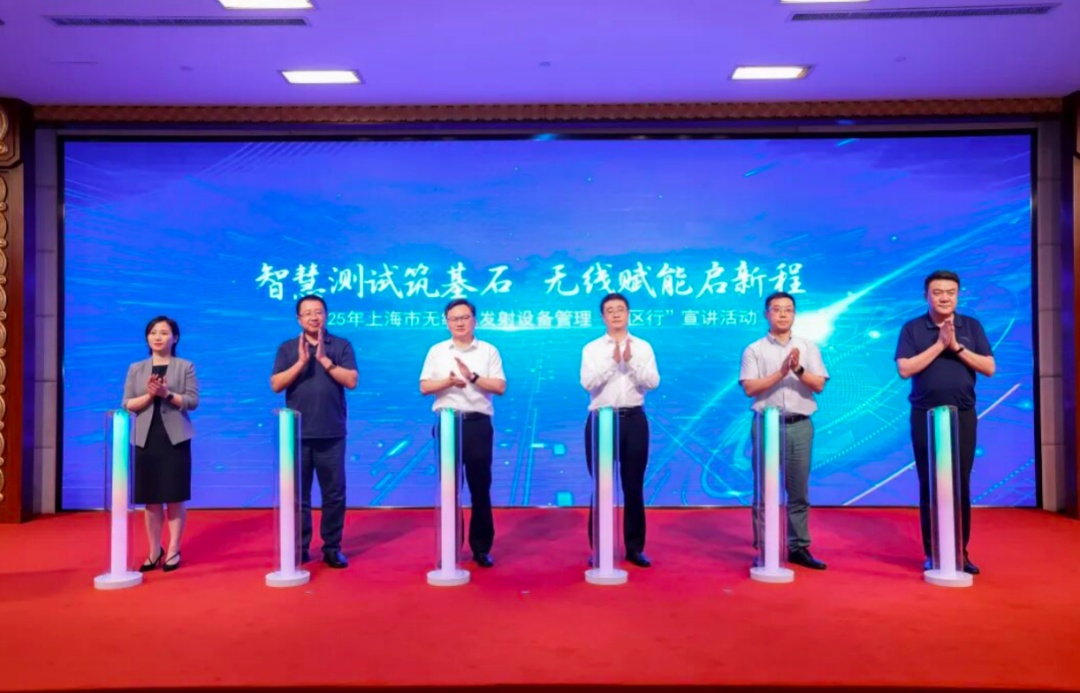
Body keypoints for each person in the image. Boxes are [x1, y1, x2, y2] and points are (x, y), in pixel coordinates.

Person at [895, 270, 995, 575]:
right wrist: (940, 345)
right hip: (925, 416)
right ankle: (933, 552)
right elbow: (905, 369)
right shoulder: (913, 328)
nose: (944, 297)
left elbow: (989, 367)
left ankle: (960, 551)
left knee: (960, 484)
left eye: (950, 292)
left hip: (962, 415)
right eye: (937, 292)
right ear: (926, 296)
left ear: (958, 295)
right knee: (930, 484)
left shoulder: (971, 326)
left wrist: (957, 347)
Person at [739, 291, 829, 570]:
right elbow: (749, 388)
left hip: (800, 425)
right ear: (766, 314)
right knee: (764, 491)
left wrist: (797, 369)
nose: (782, 314)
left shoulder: (808, 347)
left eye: (788, 309)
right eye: (776, 309)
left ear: (794, 314)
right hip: (766, 426)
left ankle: (798, 547)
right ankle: (765, 548)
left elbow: (819, 385)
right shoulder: (754, 349)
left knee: (798, 491)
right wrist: (780, 373)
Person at [271, 295, 359, 569]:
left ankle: (332, 548)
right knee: (299, 496)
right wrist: (301, 362)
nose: (313, 317)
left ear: (326, 315)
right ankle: (300, 548)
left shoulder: (340, 345)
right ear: (298, 319)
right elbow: (276, 385)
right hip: (296, 435)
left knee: (334, 494)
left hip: (332, 432)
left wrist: (324, 360)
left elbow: (352, 381)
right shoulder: (288, 348)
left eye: (318, 312)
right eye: (307, 313)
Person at [419, 298, 506, 568]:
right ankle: (450, 547)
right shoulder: (437, 351)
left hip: (477, 424)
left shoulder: (488, 350)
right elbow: (424, 387)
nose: (459, 322)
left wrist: (473, 377)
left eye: (464, 317)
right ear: (446, 322)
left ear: (474, 321)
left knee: (480, 488)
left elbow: (500, 387)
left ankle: (481, 548)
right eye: (454, 318)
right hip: (447, 424)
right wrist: (448, 381)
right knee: (449, 489)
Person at [580, 292, 660, 568]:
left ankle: (635, 548)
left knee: (633, 486)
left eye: (620, 309)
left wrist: (631, 362)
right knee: (601, 486)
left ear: (628, 314)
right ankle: (599, 548)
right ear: (603, 317)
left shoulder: (643, 347)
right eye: (610, 310)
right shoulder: (592, 349)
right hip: (601, 421)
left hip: (634, 420)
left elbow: (653, 382)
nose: (616, 314)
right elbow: (588, 383)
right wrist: (613, 362)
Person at [122, 316, 200, 573]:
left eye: (164, 333)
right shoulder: (136, 368)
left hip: (175, 439)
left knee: (175, 497)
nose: (158, 337)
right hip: (145, 438)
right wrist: (149, 395)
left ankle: (174, 549)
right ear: (147, 338)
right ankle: (155, 550)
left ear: (174, 338)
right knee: (151, 500)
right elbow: (127, 404)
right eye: (153, 332)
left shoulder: (185, 366)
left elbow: (192, 401)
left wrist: (167, 394)